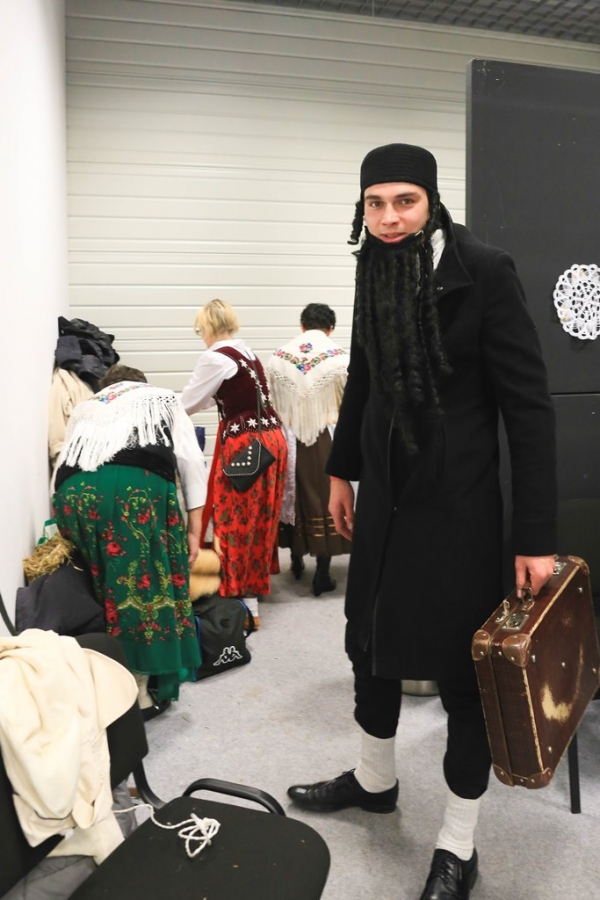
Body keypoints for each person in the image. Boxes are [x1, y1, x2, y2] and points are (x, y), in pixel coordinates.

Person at [287, 144, 557, 900]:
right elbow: (365, 378)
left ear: (432, 201)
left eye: (404, 201)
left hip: (459, 508)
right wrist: (342, 471)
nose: (389, 218)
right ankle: (375, 781)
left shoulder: (485, 271)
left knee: (463, 675)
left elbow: (529, 409)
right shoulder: (373, 265)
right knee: (369, 642)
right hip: (384, 501)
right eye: (374, 204)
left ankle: (458, 845)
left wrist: (536, 536)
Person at [52, 363, 206, 706]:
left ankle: (98, 676)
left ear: (106, 387)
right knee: (143, 584)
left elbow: (62, 463)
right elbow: (192, 464)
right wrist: (195, 532)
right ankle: (138, 690)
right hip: (132, 490)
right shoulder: (163, 398)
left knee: (99, 585)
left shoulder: (87, 406)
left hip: (72, 494)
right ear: (142, 384)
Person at [180, 299, 288, 628]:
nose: (201, 337)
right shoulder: (245, 353)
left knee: (234, 519)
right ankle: (253, 585)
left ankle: (245, 603)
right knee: (261, 518)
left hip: (246, 443)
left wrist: (155, 405)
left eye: (200, 330)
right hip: (272, 440)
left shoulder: (215, 357)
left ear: (208, 327)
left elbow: (187, 404)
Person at [265, 303, 351, 596]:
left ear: (302, 326)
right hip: (324, 437)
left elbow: (269, 401)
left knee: (294, 497)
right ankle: (322, 574)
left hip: (288, 438)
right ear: (331, 329)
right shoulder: (339, 357)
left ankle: (297, 561)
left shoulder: (279, 358)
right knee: (323, 498)